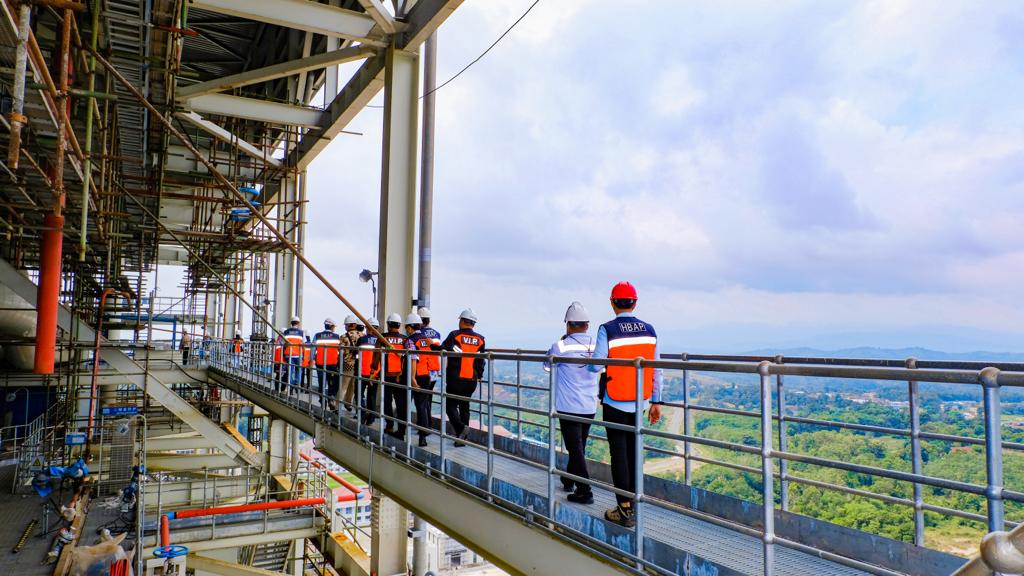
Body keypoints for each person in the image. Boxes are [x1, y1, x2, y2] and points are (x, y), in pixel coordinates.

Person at [588, 282, 663, 528]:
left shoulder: (607, 329)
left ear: (612, 303)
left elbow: (595, 365)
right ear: (635, 303)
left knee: (619, 454)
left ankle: (624, 509)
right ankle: (634, 504)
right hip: (641, 401)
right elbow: (657, 368)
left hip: (615, 400)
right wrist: (656, 400)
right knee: (634, 452)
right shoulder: (649, 330)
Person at [544, 302, 599, 504]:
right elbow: (601, 368)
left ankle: (585, 491)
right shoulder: (597, 346)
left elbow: (547, 366)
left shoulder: (560, 346)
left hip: (568, 406)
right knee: (578, 446)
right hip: (589, 405)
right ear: (587, 325)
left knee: (575, 448)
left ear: (568, 324)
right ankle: (568, 479)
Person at [441, 309, 486, 447]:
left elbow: (443, 348)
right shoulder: (480, 339)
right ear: (473, 323)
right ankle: (462, 439)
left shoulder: (455, 335)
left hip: (455, 378)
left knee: (450, 406)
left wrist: (433, 346)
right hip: (471, 379)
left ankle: (461, 429)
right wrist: (479, 375)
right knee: (464, 407)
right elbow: (481, 360)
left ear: (462, 321)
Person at [406, 311, 441, 447]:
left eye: (407, 327)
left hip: (417, 376)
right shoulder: (427, 339)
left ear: (410, 327)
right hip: (427, 374)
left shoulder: (411, 340)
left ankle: (421, 434)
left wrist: (412, 378)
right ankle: (424, 434)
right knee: (423, 404)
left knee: (419, 405)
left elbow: (413, 358)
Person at [374, 313, 410, 439]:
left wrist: (373, 370)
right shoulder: (405, 339)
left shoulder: (382, 338)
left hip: (387, 375)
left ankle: (389, 425)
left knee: (387, 402)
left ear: (388, 324)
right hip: (401, 376)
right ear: (399, 325)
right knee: (401, 404)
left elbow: (376, 356)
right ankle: (401, 430)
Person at [356, 318, 382, 425]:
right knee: (372, 396)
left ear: (368, 328)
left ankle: (362, 413)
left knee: (359, 395)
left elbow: (356, 355)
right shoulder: (381, 341)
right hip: (375, 374)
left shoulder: (361, 340)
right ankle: (371, 418)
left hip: (361, 372)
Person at [313, 318, 342, 409]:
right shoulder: (336, 337)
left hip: (320, 363)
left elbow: (313, 349)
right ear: (332, 326)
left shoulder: (317, 335)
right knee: (333, 382)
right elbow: (340, 351)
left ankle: (323, 402)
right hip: (333, 364)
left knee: (322, 384)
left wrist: (311, 360)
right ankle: (331, 398)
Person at [339, 314, 364, 412]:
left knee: (343, 386)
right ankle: (348, 404)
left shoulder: (344, 336)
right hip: (359, 364)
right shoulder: (362, 335)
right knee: (353, 386)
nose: (345, 327)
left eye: (346, 325)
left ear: (351, 325)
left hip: (348, 364)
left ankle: (336, 405)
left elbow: (339, 349)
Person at [280, 316, 309, 396]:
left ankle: (291, 385)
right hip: (298, 354)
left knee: (290, 371)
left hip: (289, 354)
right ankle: (296, 383)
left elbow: (283, 343)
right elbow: (304, 343)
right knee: (299, 370)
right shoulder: (301, 332)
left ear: (291, 323)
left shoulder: (286, 332)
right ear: (298, 323)